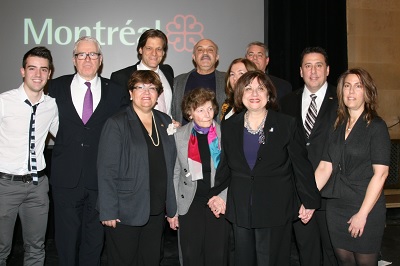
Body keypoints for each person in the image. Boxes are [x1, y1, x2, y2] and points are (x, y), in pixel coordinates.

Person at [209, 70, 321, 265]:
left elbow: (301, 166)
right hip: (241, 208)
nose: (254, 94)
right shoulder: (229, 126)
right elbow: (226, 166)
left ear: (269, 94)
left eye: (260, 89)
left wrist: (309, 200)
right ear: (240, 94)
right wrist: (218, 193)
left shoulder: (287, 124)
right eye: (248, 89)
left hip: (275, 209)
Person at [47, 36, 130, 266]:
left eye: (92, 54)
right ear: (74, 60)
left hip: (100, 179)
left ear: (100, 59)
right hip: (65, 179)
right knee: (65, 241)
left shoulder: (115, 91)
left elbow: (126, 129)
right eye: (81, 54)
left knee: (94, 242)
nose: (87, 59)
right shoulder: (54, 87)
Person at [98, 70, 177, 265]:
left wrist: (172, 207)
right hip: (125, 210)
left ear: (158, 94)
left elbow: (170, 165)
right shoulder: (117, 123)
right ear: (131, 93)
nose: (146, 92)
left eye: (152, 88)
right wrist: (108, 210)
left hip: (156, 209)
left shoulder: (165, 121)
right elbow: (106, 170)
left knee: (151, 260)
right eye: (140, 87)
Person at [314, 68, 391, 266]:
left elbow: (381, 175)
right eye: (347, 86)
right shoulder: (338, 125)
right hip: (336, 207)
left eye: (358, 86)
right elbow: (325, 166)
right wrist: (308, 199)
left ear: (367, 92)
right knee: (344, 262)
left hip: (365, 206)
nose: (351, 91)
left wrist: (362, 214)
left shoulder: (376, 126)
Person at [0, 46, 58, 266]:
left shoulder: (51, 106)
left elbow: (65, 137)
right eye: (32, 68)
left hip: (38, 186)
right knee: (1, 249)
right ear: (22, 71)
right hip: (5, 185)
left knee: (36, 248)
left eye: (43, 69)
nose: (38, 74)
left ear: (50, 73)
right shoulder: (4, 102)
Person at [280, 47, 338, 266]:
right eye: (308, 66)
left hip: (332, 193)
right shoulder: (286, 102)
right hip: (297, 192)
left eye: (319, 65)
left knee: (333, 252)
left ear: (328, 69)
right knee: (307, 252)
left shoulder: (342, 100)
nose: (313, 71)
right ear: (300, 71)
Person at [167, 88, 229, 265]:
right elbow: (175, 175)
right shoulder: (179, 136)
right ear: (190, 113)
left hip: (217, 201)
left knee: (216, 255)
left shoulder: (225, 134)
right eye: (200, 109)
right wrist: (173, 210)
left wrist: (222, 198)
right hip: (190, 203)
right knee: (191, 254)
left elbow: (231, 170)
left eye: (209, 108)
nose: (207, 114)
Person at [110, 29, 174, 116]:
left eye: (158, 49)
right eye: (149, 48)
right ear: (140, 50)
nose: (154, 53)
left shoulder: (168, 71)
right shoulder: (121, 77)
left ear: (163, 52)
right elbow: (118, 113)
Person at [171, 39, 226, 125]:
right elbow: (172, 113)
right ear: (194, 57)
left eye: (210, 50)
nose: (205, 53)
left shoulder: (227, 80)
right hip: (184, 137)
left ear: (217, 57)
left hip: (218, 137)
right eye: (200, 50)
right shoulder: (178, 81)